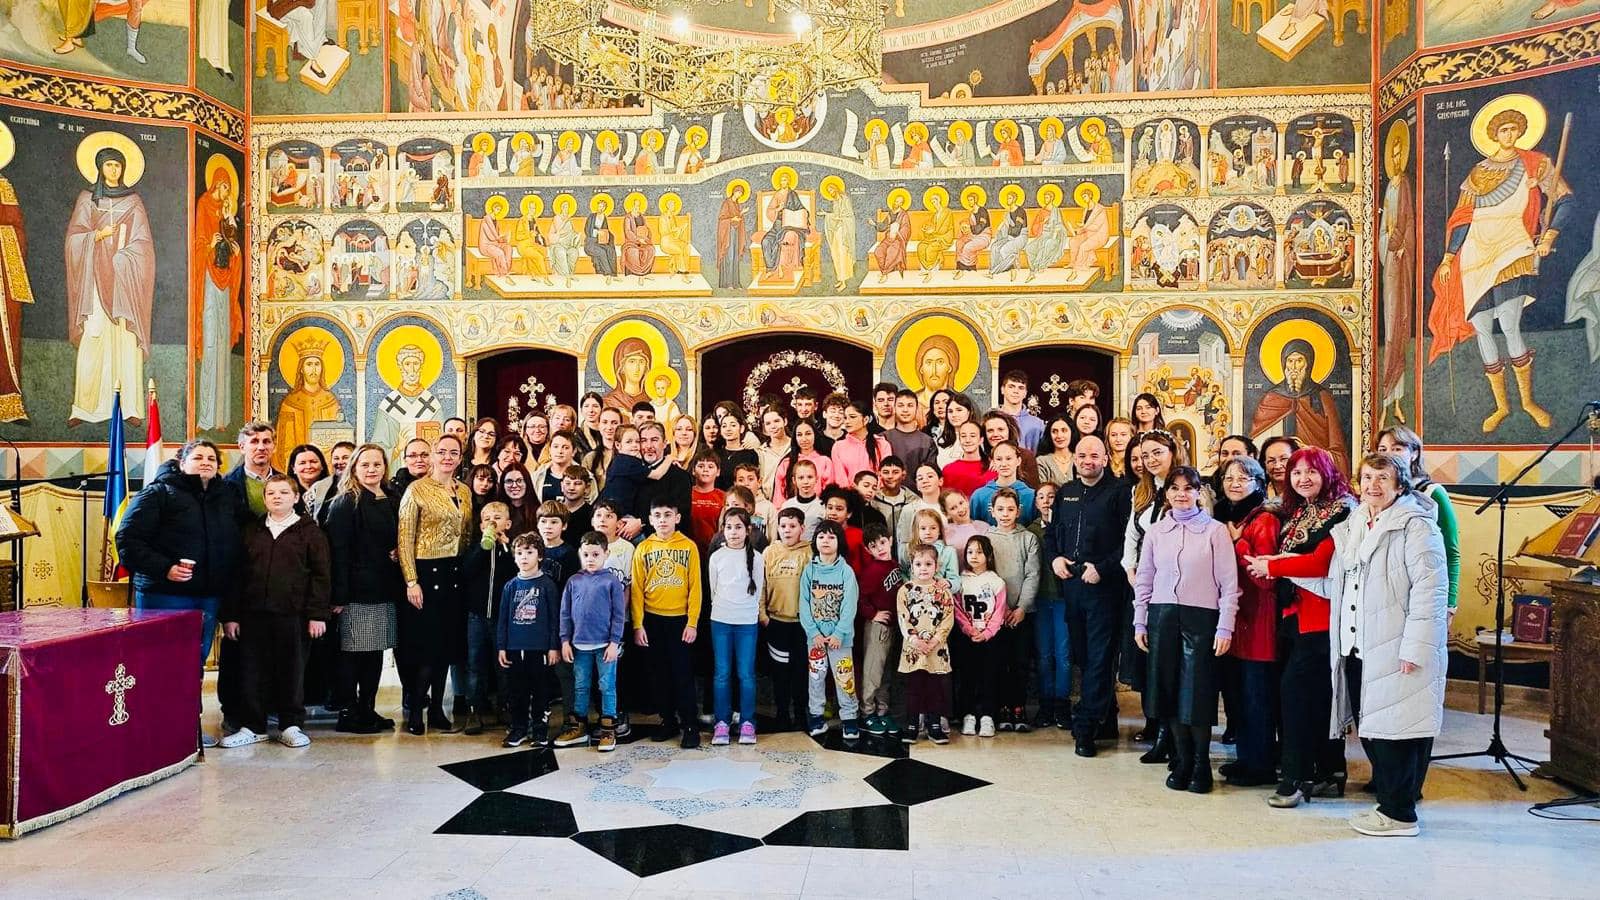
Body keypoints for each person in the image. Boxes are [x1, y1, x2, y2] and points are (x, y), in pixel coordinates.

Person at [1317, 453, 1448, 837]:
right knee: (1373, 729)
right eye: (1367, 477)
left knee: (1398, 733)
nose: (1373, 485)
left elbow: (1430, 592)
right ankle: (1389, 806)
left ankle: (1400, 814)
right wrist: (1283, 571)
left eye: (1382, 478)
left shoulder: (1416, 527)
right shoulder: (1357, 522)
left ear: (1400, 484)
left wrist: (1415, 648)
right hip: (1360, 644)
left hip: (1397, 647)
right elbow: (1341, 580)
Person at [116, 438, 249, 747]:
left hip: (208, 596)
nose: (206, 462)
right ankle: (155, 731)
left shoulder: (226, 496)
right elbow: (128, 540)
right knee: (161, 663)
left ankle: (187, 727)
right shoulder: (159, 493)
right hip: (164, 594)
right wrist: (165, 568)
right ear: (181, 462)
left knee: (193, 665)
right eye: (198, 457)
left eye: (212, 459)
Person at [1246, 446, 1355, 808]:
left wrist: (1272, 565)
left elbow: (1321, 562)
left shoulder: (1343, 510)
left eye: (1311, 471)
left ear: (1327, 473)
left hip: (1322, 618)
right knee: (1316, 699)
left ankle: (1294, 779)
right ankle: (1329, 771)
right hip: (1294, 614)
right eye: (1296, 472)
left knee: (1296, 698)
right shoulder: (1300, 512)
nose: (1303, 478)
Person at [1133, 467, 1240, 794]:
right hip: (1163, 616)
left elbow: (1229, 584)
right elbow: (1144, 578)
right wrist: (1140, 620)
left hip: (1202, 618)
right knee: (1168, 691)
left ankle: (1201, 763)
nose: (1181, 494)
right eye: (1175, 488)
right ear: (1166, 493)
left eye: (1188, 488)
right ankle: (1181, 759)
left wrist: (1225, 626)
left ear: (1198, 492)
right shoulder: (1156, 532)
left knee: (1197, 693)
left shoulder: (1215, 531)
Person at [220, 474, 331, 749]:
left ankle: (290, 725)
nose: (277, 497)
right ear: (264, 498)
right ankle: (253, 726)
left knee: (291, 670)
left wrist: (317, 614)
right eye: (271, 493)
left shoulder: (310, 533)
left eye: (283, 492)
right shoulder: (252, 531)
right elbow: (236, 575)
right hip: (253, 614)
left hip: (293, 615)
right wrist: (231, 615)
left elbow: (321, 576)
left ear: (296, 497)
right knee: (251, 671)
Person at [1047, 433, 1130, 757]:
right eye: (1082, 456)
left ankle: (1086, 727)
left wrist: (1104, 569)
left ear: (1105, 459)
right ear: (1075, 459)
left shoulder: (1120, 492)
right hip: (1072, 586)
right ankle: (1107, 717)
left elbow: (1130, 543)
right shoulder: (1066, 492)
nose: (1088, 461)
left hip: (1104, 588)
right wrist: (1055, 558)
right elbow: (1052, 534)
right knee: (1082, 656)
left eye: (1095, 456)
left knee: (1099, 658)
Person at [397, 435, 473, 735]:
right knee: (427, 647)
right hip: (426, 573)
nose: (447, 457)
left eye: (453, 452)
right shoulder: (416, 489)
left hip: (454, 572)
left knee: (446, 647)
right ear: (432, 456)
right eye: (441, 452)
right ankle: (417, 710)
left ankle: (439, 710)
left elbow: (467, 532)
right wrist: (411, 580)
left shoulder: (464, 490)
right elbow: (404, 538)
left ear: (460, 458)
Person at [325, 444, 401, 734]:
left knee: (374, 652)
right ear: (354, 468)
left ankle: (368, 708)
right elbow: (338, 552)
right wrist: (339, 595)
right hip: (356, 591)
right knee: (353, 654)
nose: (371, 470)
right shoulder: (346, 502)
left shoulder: (391, 498)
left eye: (377, 464)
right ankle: (348, 712)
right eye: (365, 465)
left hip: (384, 587)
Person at [1216, 456, 1282, 787]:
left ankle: (1261, 766)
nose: (1235, 483)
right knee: (1239, 697)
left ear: (1259, 483)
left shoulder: (1264, 519)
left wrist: (1237, 543)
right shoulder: (1231, 518)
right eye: (1229, 478)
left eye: (1243, 478)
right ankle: (1245, 758)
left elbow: (1267, 578)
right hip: (1237, 619)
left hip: (1259, 622)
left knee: (1257, 699)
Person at [631, 497, 703, 748]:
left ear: (677, 518)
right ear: (650, 520)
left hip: (680, 621)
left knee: (683, 674)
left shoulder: (689, 547)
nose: (663, 520)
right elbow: (636, 590)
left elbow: (696, 587)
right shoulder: (643, 548)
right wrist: (638, 624)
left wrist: (692, 622)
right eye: (658, 515)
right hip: (652, 620)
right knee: (659, 674)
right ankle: (667, 720)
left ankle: (690, 725)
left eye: (667, 515)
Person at [1376, 426, 1460, 615]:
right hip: (1385, 597)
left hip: (1423, 593)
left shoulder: (1432, 493)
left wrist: (1449, 605)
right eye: (1383, 449)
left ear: (1414, 454)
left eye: (1397, 449)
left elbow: (1450, 552)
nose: (1388, 455)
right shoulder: (1376, 493)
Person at [556, 532, 627, 752]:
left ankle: (608, 729)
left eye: (596, 554)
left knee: (606, 686)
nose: (590, 559)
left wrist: (614, 642)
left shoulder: (611, 581)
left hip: (605, 646)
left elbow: (618, 615)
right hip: (579, 646)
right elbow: (565, 613)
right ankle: (578, 726)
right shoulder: (573, 581)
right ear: (580, 554)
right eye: (586, 554)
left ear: (606, 553)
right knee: (581, 685)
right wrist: (565, 641)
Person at [707, 509, 765, 746]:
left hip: (747, 622)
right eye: (729, 527)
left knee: (746, 674)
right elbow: (713, 590)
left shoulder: (757, 558)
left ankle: (747, 722)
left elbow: (758, 591)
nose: (733, 532)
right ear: (723, 530)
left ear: (748, 530)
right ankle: (721, 722)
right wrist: (725, 609)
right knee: (722, 673)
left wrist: (747, 612)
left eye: (738, 527)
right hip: (720, 620)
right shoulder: (716, 557)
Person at [498, 534, 561, 748]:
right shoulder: (510, 586)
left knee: (540, 691)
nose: (524, 557)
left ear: (540, 556)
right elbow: (503, 619)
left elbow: (554, 618)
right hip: (515, 648)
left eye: (529, 552)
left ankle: (540, 730)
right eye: (519, 553)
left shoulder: (547, 585)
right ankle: (519, 729)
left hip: (539, 649)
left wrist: (553, 647)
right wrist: (502, 646)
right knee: (517, 691)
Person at [800, 520, 861, 740]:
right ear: (815, 541)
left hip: (840, 640)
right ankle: (816, 716)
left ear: (839, 542)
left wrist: (838, 633)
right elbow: (804, 604)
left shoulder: (846, 571)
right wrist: (813, 633)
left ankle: (850, 719)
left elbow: (850, 605)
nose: (826, 540)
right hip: (815, 639)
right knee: (816, 678)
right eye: (821, 536)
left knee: (845, 678)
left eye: (831, 537)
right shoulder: (809, 570)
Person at [458, 501, 515, 735]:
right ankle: (474, 709)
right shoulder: (474, 548)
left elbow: (517, 572)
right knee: (475, 664)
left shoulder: (510, 549)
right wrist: (483, 548)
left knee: (503, 664)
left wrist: (505, 547)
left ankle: (505, 705)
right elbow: (466, 571)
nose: (493, 521)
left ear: (507, 524)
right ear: (481, 525)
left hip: (502, 618)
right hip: (477, 616)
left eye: (498, 518)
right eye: (488, 519)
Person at [986, 488, 1039, 732]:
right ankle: (1002, 708)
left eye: (1010, 509)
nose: (1005, 514)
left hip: (1021, 613)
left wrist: (1021, 608)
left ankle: (1019, 707)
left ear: (1019, 511)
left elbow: (1032, 574)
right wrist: (1002, 607)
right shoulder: (987, 538)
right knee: (999, 661)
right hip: (995, 613)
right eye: (1000, 509)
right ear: (992, 511)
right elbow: (987, 574)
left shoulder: (1028, 538)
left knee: (1020, 661)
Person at [897, 543, 957, 745]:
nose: (923, 568)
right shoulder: (905, 590)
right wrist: (915, 640)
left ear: (936, 566)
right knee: (914, 687)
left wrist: (935, 640)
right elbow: (903, 618)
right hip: (913, 649)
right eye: (918, 564)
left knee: (935, 688)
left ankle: (934, 725)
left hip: (936, 649)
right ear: (912, 566)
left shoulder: (943, 591)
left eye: (928, 564)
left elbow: (948, 618)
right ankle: (912, 725)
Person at [763, 507, 813, 731]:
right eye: (783, 526)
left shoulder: (810, 552)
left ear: (802, 528)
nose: (787, 530)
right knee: (780, 672)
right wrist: (763, 616)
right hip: (776, 622)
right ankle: (782, 713)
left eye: (792, 526)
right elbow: (761, 585)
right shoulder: (769, 552)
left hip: (802, 624)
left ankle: (801, 712)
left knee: (801, 671)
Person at [954, 535, 1006, 738]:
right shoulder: (960, 581)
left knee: (989, 676)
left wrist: (987, 633)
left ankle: (987, 716)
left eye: (979, 552)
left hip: (990, 639)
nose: (974, 556)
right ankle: (968, 715)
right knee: (967, 676)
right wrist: (969, 629)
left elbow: (1000, 611)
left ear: (988, 555)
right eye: (970, 552)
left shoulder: (996, 581)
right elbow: (957, 609)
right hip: (967, 637)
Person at [854, 522, 903, 736]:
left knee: (886, 673)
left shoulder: (894, 565)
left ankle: (882, 711)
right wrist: (873, 614)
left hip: (893, 627)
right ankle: (867, 712)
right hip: (877, 627)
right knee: (873, 671)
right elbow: (860, 599)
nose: (880, 548)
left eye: (882, 542)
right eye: (874, 546)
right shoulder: (872, 571)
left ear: (890, 540)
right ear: (868, 550)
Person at [1028, 481, 1069, 729]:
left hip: (1064, 599)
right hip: (1041, 599)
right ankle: (1045, 704)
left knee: (1063, 655)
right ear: (1035, 503)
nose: (1046, 501)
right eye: (1041, 497)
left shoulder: (1067, 525)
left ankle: (1062, 704)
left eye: (1051, 496)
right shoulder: (1031, 531)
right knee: (1044, 655)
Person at [971, 442, 1036, 525]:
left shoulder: (1032, 496)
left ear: (1018, 461)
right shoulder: (979, 496)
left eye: (1008, 458)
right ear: (993, 462)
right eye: (999, 459)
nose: (1004, 464)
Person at [773, 420, 834, 508]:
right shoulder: (786, 463)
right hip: (790, 512)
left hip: (819, 510)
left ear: (815, 435)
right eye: (799, 435)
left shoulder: (825, 461)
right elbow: (778, 496)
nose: (804, 439)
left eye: (808, 434)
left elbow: (829, 494)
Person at [829, 400, 890, 487]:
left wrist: (873, 490)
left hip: (877, 493)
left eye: (852, 417)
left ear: (865, 419)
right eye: (845, 418)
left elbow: (886, 473)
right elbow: (840, 479)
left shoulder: (882, 444)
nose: (847, 421)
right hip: (850, 494)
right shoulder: (838, 447)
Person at [896, 463, 943, 561]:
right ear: (917, 485)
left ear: (940, 481)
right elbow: (903, 544)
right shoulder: (909, 510)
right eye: (920, 478)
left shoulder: (950, 506)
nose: (925, 481)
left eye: (930, 476)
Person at [885, 389, 937, 475]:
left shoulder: (927, 441)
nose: (905, 410)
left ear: (917, 408)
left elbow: (930, 474)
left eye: (910, 405)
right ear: (894, 408)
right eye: (901, 405)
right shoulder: (883, 438)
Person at [942, 420, 995, 497]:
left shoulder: (993, 467)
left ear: (981, 440)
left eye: (972, 436)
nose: (968, 440)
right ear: (959, 440)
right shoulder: (948, 470)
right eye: (963, 436)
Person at [688, 451, 726, 553]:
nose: (705, 470)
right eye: (701, 466)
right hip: (689, 550)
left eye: (710, 466)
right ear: (693, 470)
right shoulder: (685, 494)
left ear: (718, 472)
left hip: (715, 550)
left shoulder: (724, 497)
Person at [997, 370, 1045, 451]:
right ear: (1002, 390)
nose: (1016, 391)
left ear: (1025, 393)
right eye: (1011, 386)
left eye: (1021, 388)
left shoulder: (1038, 424)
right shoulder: (991, 420)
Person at [941, 489, 988, 555]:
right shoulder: (945, 532)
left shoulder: (984, 527)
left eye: (961, 503)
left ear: (966, 500)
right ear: (946, 514)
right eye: (953, 508)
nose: (960, 509)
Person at [1257, 435, 1301, 505]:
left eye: (1284, 459)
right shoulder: (1258, 496)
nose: (1277, 466)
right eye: (1271, 461)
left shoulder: (1307, 494)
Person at [498, 463, 537, 537]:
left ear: (527, 482)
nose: (514, 485)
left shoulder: (538, 511)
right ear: (503, 485)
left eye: (519, 480)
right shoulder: (496, 512)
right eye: (509, 481)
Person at [1036, 415, 1075, 486]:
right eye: (1054, 431)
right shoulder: (1042, 461)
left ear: (1071, 432)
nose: (1059, 435)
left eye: (1064, 430)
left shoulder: (1080, 459)